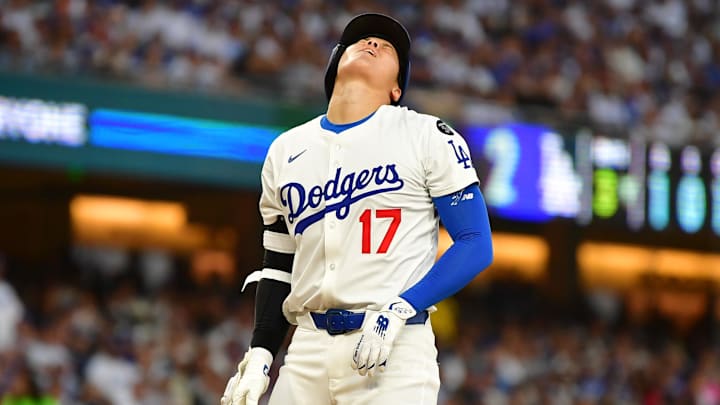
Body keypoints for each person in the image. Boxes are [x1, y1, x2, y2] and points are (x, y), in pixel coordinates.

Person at [221, 12, 494, 405]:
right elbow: (279, 265)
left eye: (387, 47)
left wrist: (403, 308)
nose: (373, 43)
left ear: (397, 88)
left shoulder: (426, 135)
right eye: (361, 40)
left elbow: (475, 242)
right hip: (306, 349)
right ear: (335, 63)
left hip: (395, 345)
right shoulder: (285, 150)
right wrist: (262, 352)